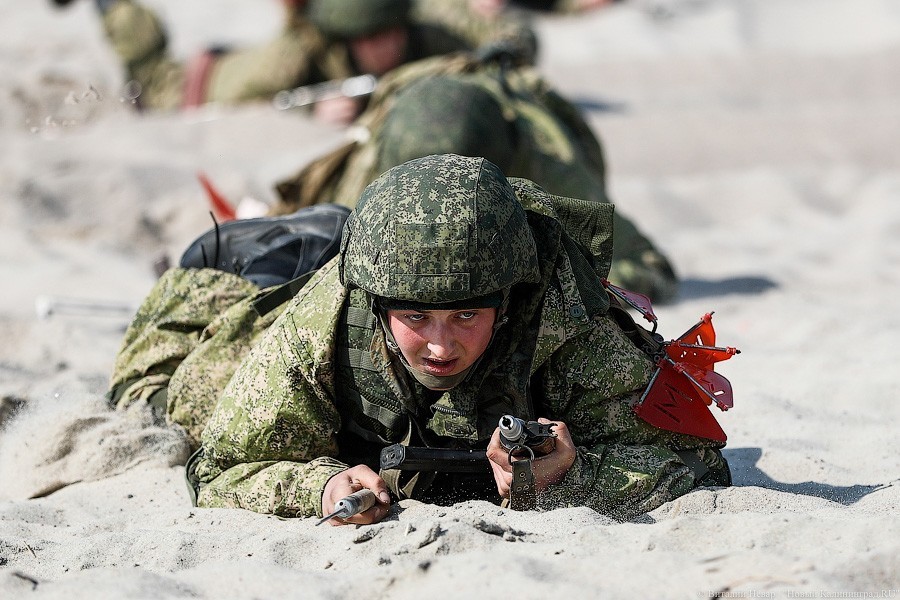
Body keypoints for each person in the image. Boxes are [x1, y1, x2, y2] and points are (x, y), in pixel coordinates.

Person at [191, 153, 731, 524]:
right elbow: (218, 470)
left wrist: (574, 475)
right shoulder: (322, 325)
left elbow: (701, 467)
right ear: (377, 305)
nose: (441, 347)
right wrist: (321, 487)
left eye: (467, 315)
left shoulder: (568, 323)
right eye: (416, 317)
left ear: (508, 298)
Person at [273, 52, 679, 303]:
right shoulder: (386, 158)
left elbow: (647, 269)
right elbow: (337, 247)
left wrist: (551, 289)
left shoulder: (548, 165)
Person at [53, 0, 536, 124]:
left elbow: (505, 32)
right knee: (150, 68)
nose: (384, 46)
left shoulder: (423, 28)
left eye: (391, 32)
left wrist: (506, 49)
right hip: (197, 80)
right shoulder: (298, 52)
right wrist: (309, 110)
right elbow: (214, 104)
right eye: (368, 39)